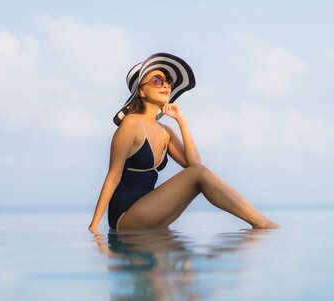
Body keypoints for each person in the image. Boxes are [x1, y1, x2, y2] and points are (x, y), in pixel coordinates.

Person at [88, 53, 278, 232]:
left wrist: (181, 121)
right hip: (126, 215)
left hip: (150, 209)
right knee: (198, 174)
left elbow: (194, 165)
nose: (166, 85)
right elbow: (113, 177)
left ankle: (259, 222)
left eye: (168, 81)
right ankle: (261, 223)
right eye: (157, 80)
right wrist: (94, 228)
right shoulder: (131, 123)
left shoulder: (166, 131)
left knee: (197, 176)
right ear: (141, 92)